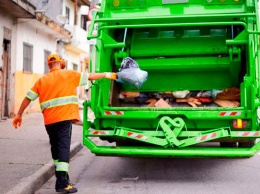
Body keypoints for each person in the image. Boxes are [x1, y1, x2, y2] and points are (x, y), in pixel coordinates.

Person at [12, 53, 116, 193]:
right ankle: (62, 183)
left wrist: (19, 114)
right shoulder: (69, 74)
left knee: (55, 148)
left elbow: (28, 98)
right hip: (64, 119)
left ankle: (63, 178)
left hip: (49, 121)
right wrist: (106, 74)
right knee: (63, 149)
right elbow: (90, 76)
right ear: (61, 63)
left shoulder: (42, 80)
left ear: (49, 65)